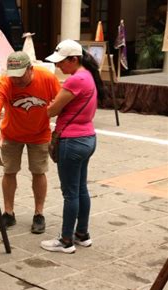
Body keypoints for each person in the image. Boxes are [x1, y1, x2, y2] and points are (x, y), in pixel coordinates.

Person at [40, 39, 104, 253]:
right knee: (81, 189)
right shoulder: (89, 76)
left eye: (61, 62)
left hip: (72, 141)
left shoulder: (75, 81)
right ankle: (82, 234)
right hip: (88, 138)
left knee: (70, 193)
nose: (58, 66)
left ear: (74, 59)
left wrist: (51, 104)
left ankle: (66, 240)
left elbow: (51, 110)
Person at [0, 51, 60, 234]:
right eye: (14, 77)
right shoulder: (4, 81)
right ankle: (8, 212)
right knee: (9, 171)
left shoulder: (47, 78)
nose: (17, 81)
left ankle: (39, 213)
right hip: (12, 134)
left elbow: (61, 103)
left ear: (30, 69)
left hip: (40, 133)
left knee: (39, 171)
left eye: (20, 76)